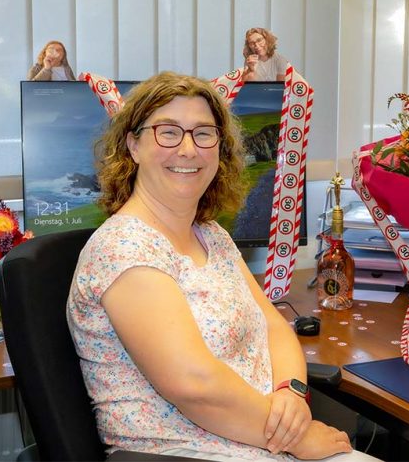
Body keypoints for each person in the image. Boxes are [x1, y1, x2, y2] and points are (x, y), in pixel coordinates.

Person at [67, 72, 381, 462]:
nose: (188, 149)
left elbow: (272, 326)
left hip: (262, 439)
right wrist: (295, 439)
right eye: (168, 132)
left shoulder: (210, 234)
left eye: (203, 133)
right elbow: (194, 385)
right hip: (188, 452)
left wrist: (291, 390)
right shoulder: (124, 248)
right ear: (133, 145)